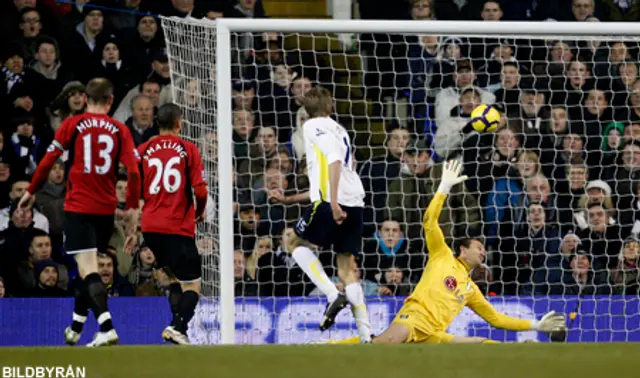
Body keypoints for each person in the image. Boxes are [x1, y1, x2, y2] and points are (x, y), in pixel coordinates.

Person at [329, 161, 566, 344]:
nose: (483, 252)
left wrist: (536, 326)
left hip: (435, 334)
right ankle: (328, 347)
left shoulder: (471, 288)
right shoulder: (442, 255)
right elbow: (430, 221)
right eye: (479, 247)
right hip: (414, 320)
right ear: (463, 249)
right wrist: (443, 188)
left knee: (486, 345)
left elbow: (496, 319)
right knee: (382, 344)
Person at [18, 78, 141, 347]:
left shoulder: (72, 125)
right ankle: (76, 326)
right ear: (110, 101)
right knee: (90, 270)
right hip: (106, 210)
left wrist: (31, 191)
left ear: (85, 99)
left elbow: (49, 160)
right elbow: (133, 171)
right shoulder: (120, 129)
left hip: (79, 207)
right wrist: (132, 207)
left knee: (88, 270)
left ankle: (107, 327)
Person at [286, 86, 372, 343]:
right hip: (355, 200)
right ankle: (366, 335)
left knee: (294, 242)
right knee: (346, 267)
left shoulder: (312, 126)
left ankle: (331, 294)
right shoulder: (339, 129)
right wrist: (290, 198)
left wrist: (333, 203)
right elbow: (344, 166)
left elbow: (334, 161)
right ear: (330, 106)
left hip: (332, 201)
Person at [136, 103, 208, 345]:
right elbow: (200, 189)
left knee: (173, 278)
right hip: (177, 225)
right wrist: (199, 213)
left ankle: (178, 329)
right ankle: (178, 327)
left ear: (157, 123)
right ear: (179, 123)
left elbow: (134, 186)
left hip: (150, 226)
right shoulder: (188, 149)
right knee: (193, 285)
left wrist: (134, 225)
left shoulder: (143, 149)